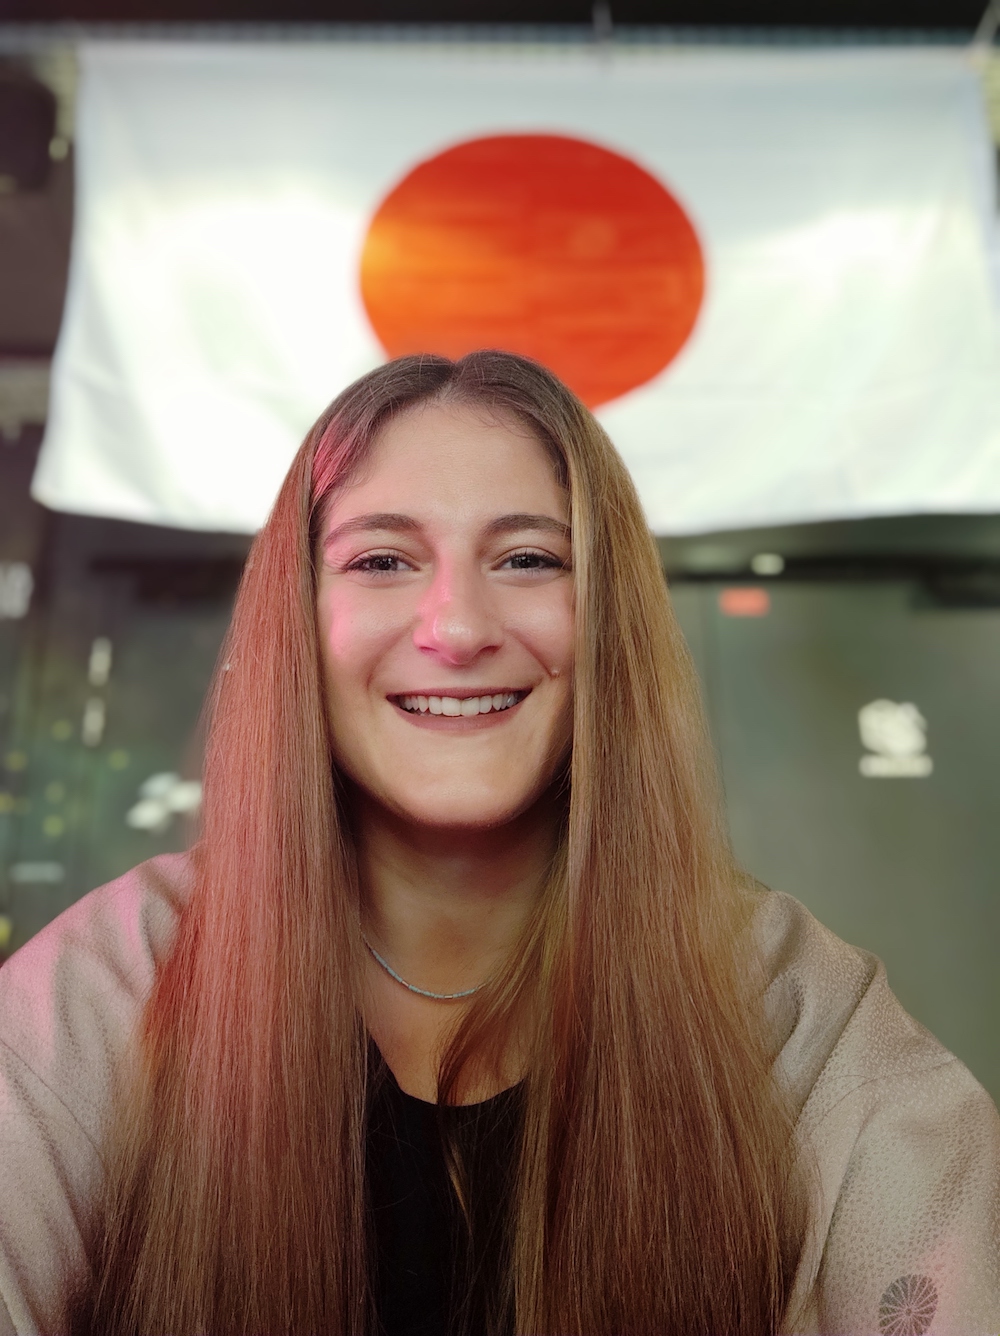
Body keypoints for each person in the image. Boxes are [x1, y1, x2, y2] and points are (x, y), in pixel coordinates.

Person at [0, 350, 997, 1336]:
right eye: (381, 561)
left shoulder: (794, 1013)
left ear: (608, 618)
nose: (457, 627)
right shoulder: (100, 995)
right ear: (296, 618)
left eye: (527, 559)